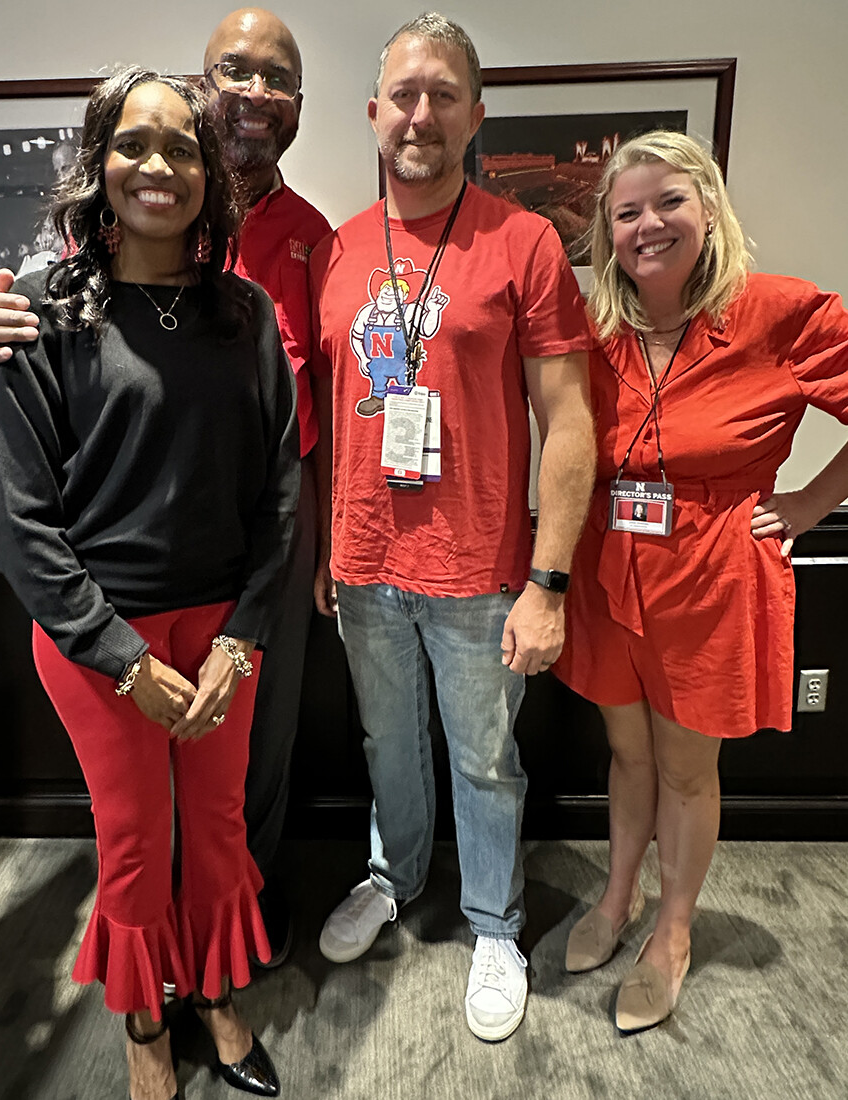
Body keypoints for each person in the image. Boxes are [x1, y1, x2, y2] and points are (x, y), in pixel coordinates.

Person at [0, 8, 331, 965]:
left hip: (227, 621)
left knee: (218, 827)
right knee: (134, 841)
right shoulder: (40, 308)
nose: (159, 167)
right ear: (100, 163)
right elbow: (22, 520)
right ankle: (146, 1035)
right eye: (133, 146)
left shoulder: (245, 308)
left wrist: (242, 639)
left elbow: (281, 489)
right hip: (98, 634)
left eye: (180, 151)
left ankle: (216, 990)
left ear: (208, 176)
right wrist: (123, 658)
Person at [310, 13, 595, 1042]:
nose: (420, 113)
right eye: (404, 93)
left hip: (480, 564)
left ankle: (493, 924)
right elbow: (324, 410)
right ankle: (392, 876)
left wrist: (549, 581)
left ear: (475, 115)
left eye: (444, 94)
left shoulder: (523, 241)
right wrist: (326, 551)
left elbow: (569, 423)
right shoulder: (339, 248)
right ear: (374, 112)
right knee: (389, 740)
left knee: (483, 755)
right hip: (364, 563)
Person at [553, 129, 848, 1034]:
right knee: (628, 754)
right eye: (628, 210)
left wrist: (807, 504)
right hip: (611, 567)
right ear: (607, 228)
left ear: (709, 208)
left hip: (713, 576)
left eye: (669, 201)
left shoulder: (779, 312)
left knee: (686, 770)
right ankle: (618, 898)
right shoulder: (597, 327)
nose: (649, 224)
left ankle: (673, 932)